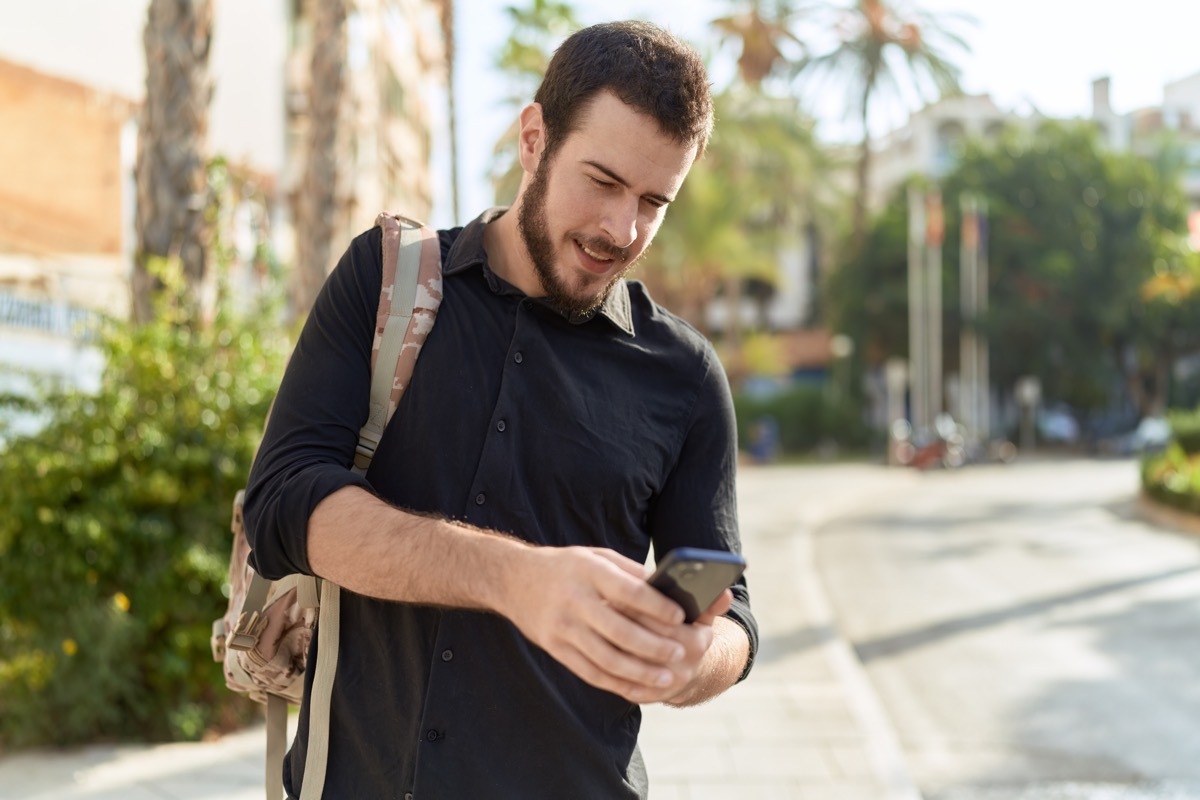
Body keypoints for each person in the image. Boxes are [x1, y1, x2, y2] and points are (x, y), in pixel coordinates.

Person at [244, 19, 757, 799]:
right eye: (604, 181)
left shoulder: (684, 375)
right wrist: (515, 579)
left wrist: (697, 660)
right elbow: (280, 507)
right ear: (532, 138)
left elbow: (735, 623)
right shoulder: (385, 281)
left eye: (654, 201)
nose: (622, 229)